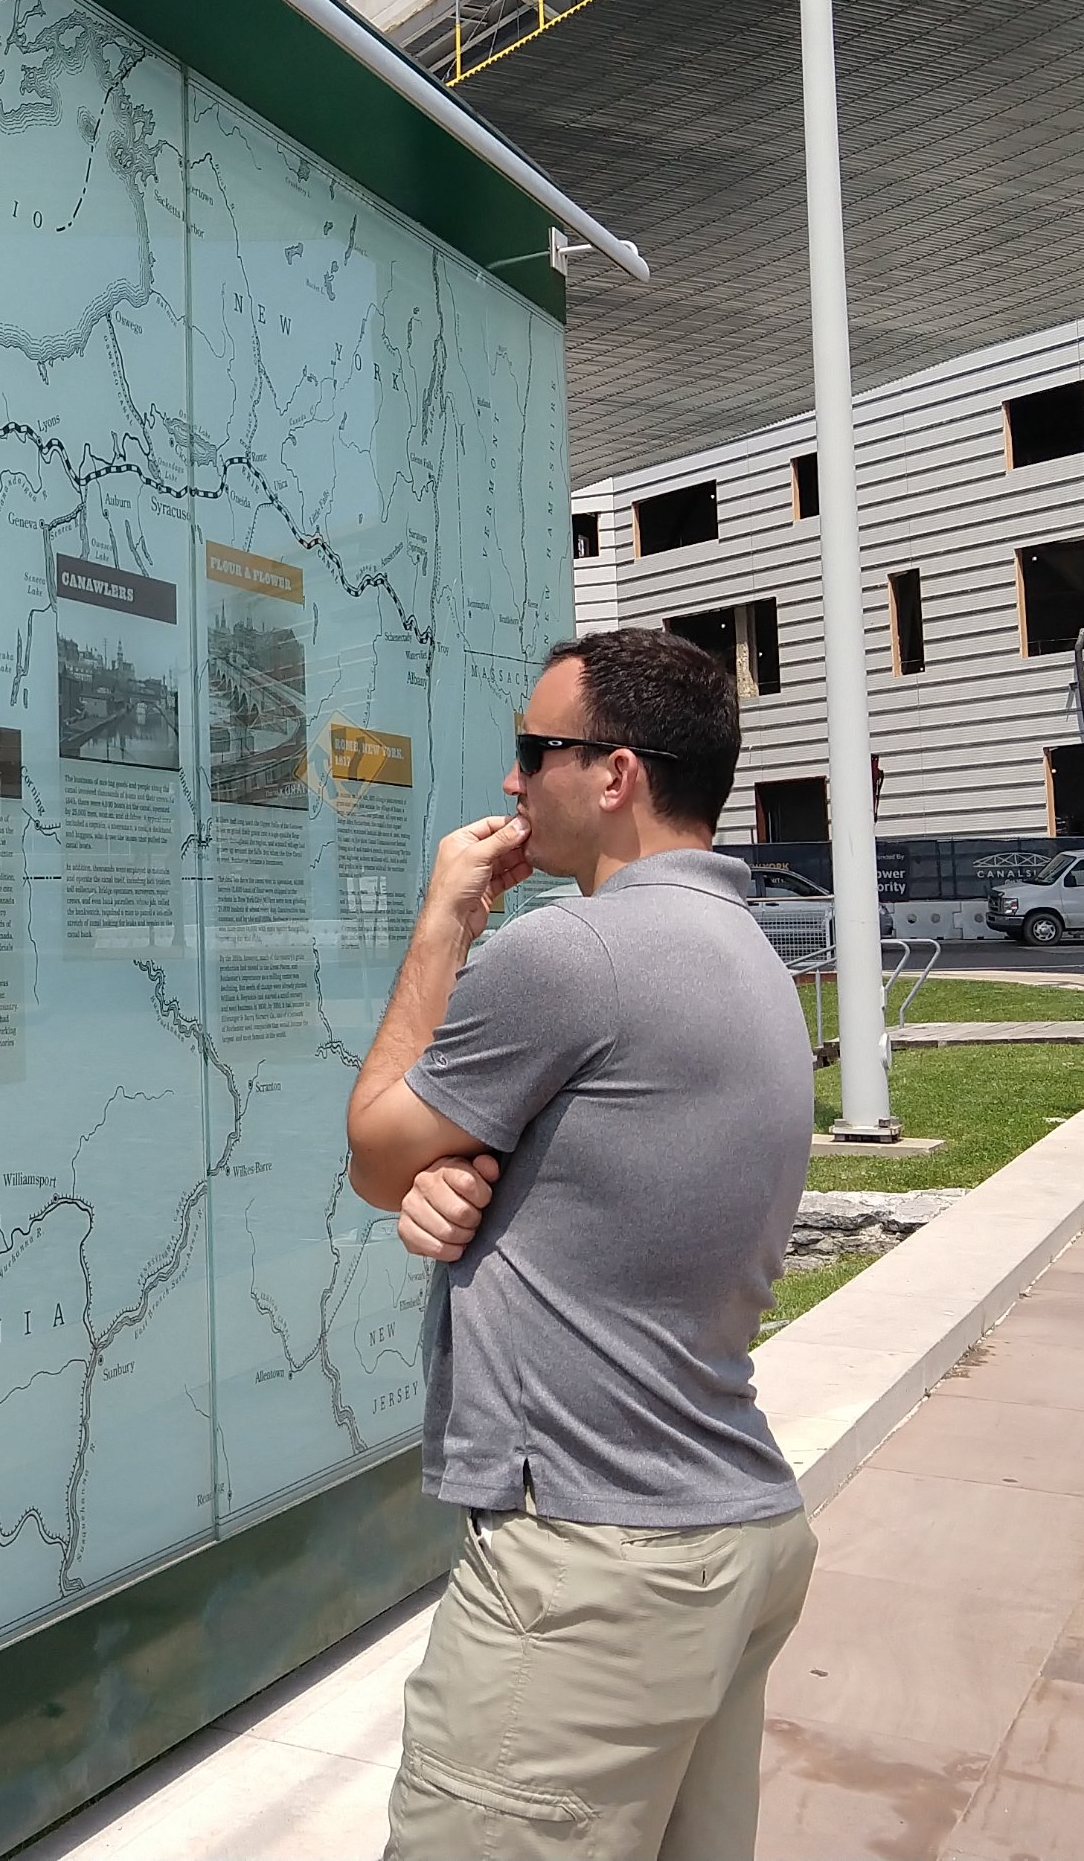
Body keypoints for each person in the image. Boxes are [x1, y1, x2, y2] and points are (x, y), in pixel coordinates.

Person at [345, 628, 817, 1860]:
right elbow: (601, 1189)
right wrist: (464, 1198)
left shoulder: (573, 951)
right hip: (726, 1533)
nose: (511, 782)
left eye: (533, 750)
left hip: (590, 1572)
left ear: (615, 775)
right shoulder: (748, 954)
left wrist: (446, 920)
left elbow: (375, 1150)